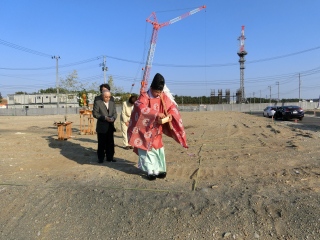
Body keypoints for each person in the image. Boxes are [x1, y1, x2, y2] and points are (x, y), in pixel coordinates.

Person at [127, 73, 188, 180]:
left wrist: (170, 115)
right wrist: (156, 113)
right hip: (144, 129)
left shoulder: (162, 96)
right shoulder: (144, 96)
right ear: (151, 88)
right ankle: (150, 170)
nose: (158, 94)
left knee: (158, 148)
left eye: (160, 92)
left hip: (157, 129)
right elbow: (140, 107)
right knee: (146, 150)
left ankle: (159, 169)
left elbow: (171, 106)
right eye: (156, 92)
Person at [93, 90, 117, 163]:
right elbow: (95, 113)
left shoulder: (112, 103)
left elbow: (115, 113)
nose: (108, 98)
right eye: (106, 97)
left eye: (109, 97)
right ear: (102, 96)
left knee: (110, 143)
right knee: (101, 143)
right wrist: (104, 118)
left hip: (110, 126)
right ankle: (101, 158)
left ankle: (110, 157)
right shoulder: (98, 103)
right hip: (102, 126)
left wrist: (113, 118)